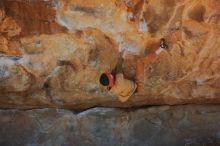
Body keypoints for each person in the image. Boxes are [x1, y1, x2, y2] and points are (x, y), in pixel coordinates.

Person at [99, 38, 168, 102]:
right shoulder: (118, 83)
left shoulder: (109, 84)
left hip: (129, 84)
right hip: (137, 86)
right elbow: (119, 67)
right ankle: (162, 47)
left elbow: (116, 68)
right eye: (110, 76)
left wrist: (120, 51)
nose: (110, 74)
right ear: (110, 80)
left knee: (118, 72)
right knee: (140, 61)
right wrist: (121, 54)